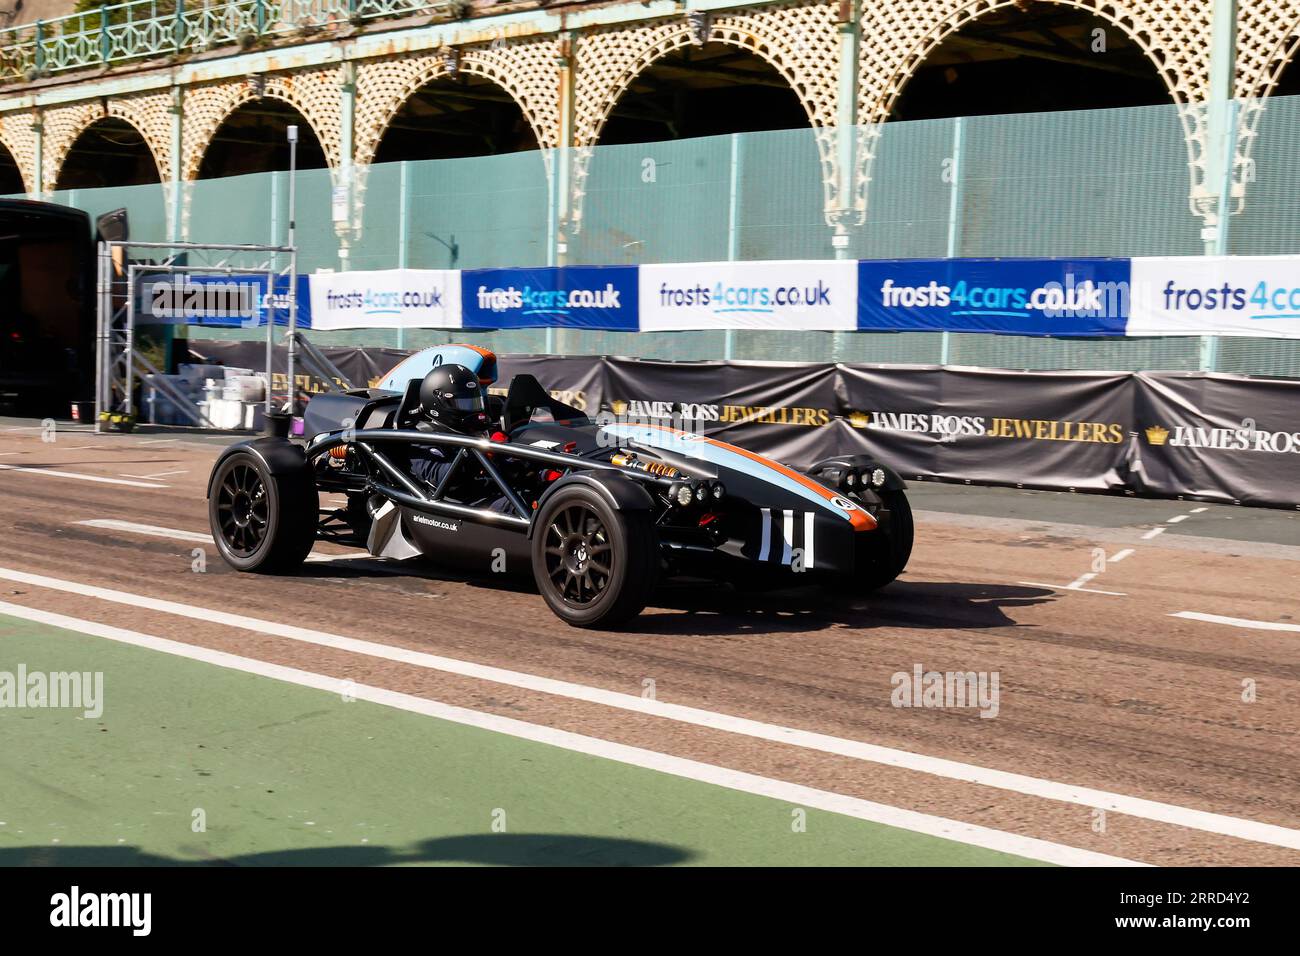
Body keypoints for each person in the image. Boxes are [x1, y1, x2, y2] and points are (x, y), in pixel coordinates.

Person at [408, 363, 512, 513]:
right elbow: (440, 476)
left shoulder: (475, 432)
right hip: (461, 507)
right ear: (437, 403)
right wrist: (482, 452)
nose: (472, 410)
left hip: (492, 492)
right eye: (464, 404)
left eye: (475, 403)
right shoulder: (421, 440)